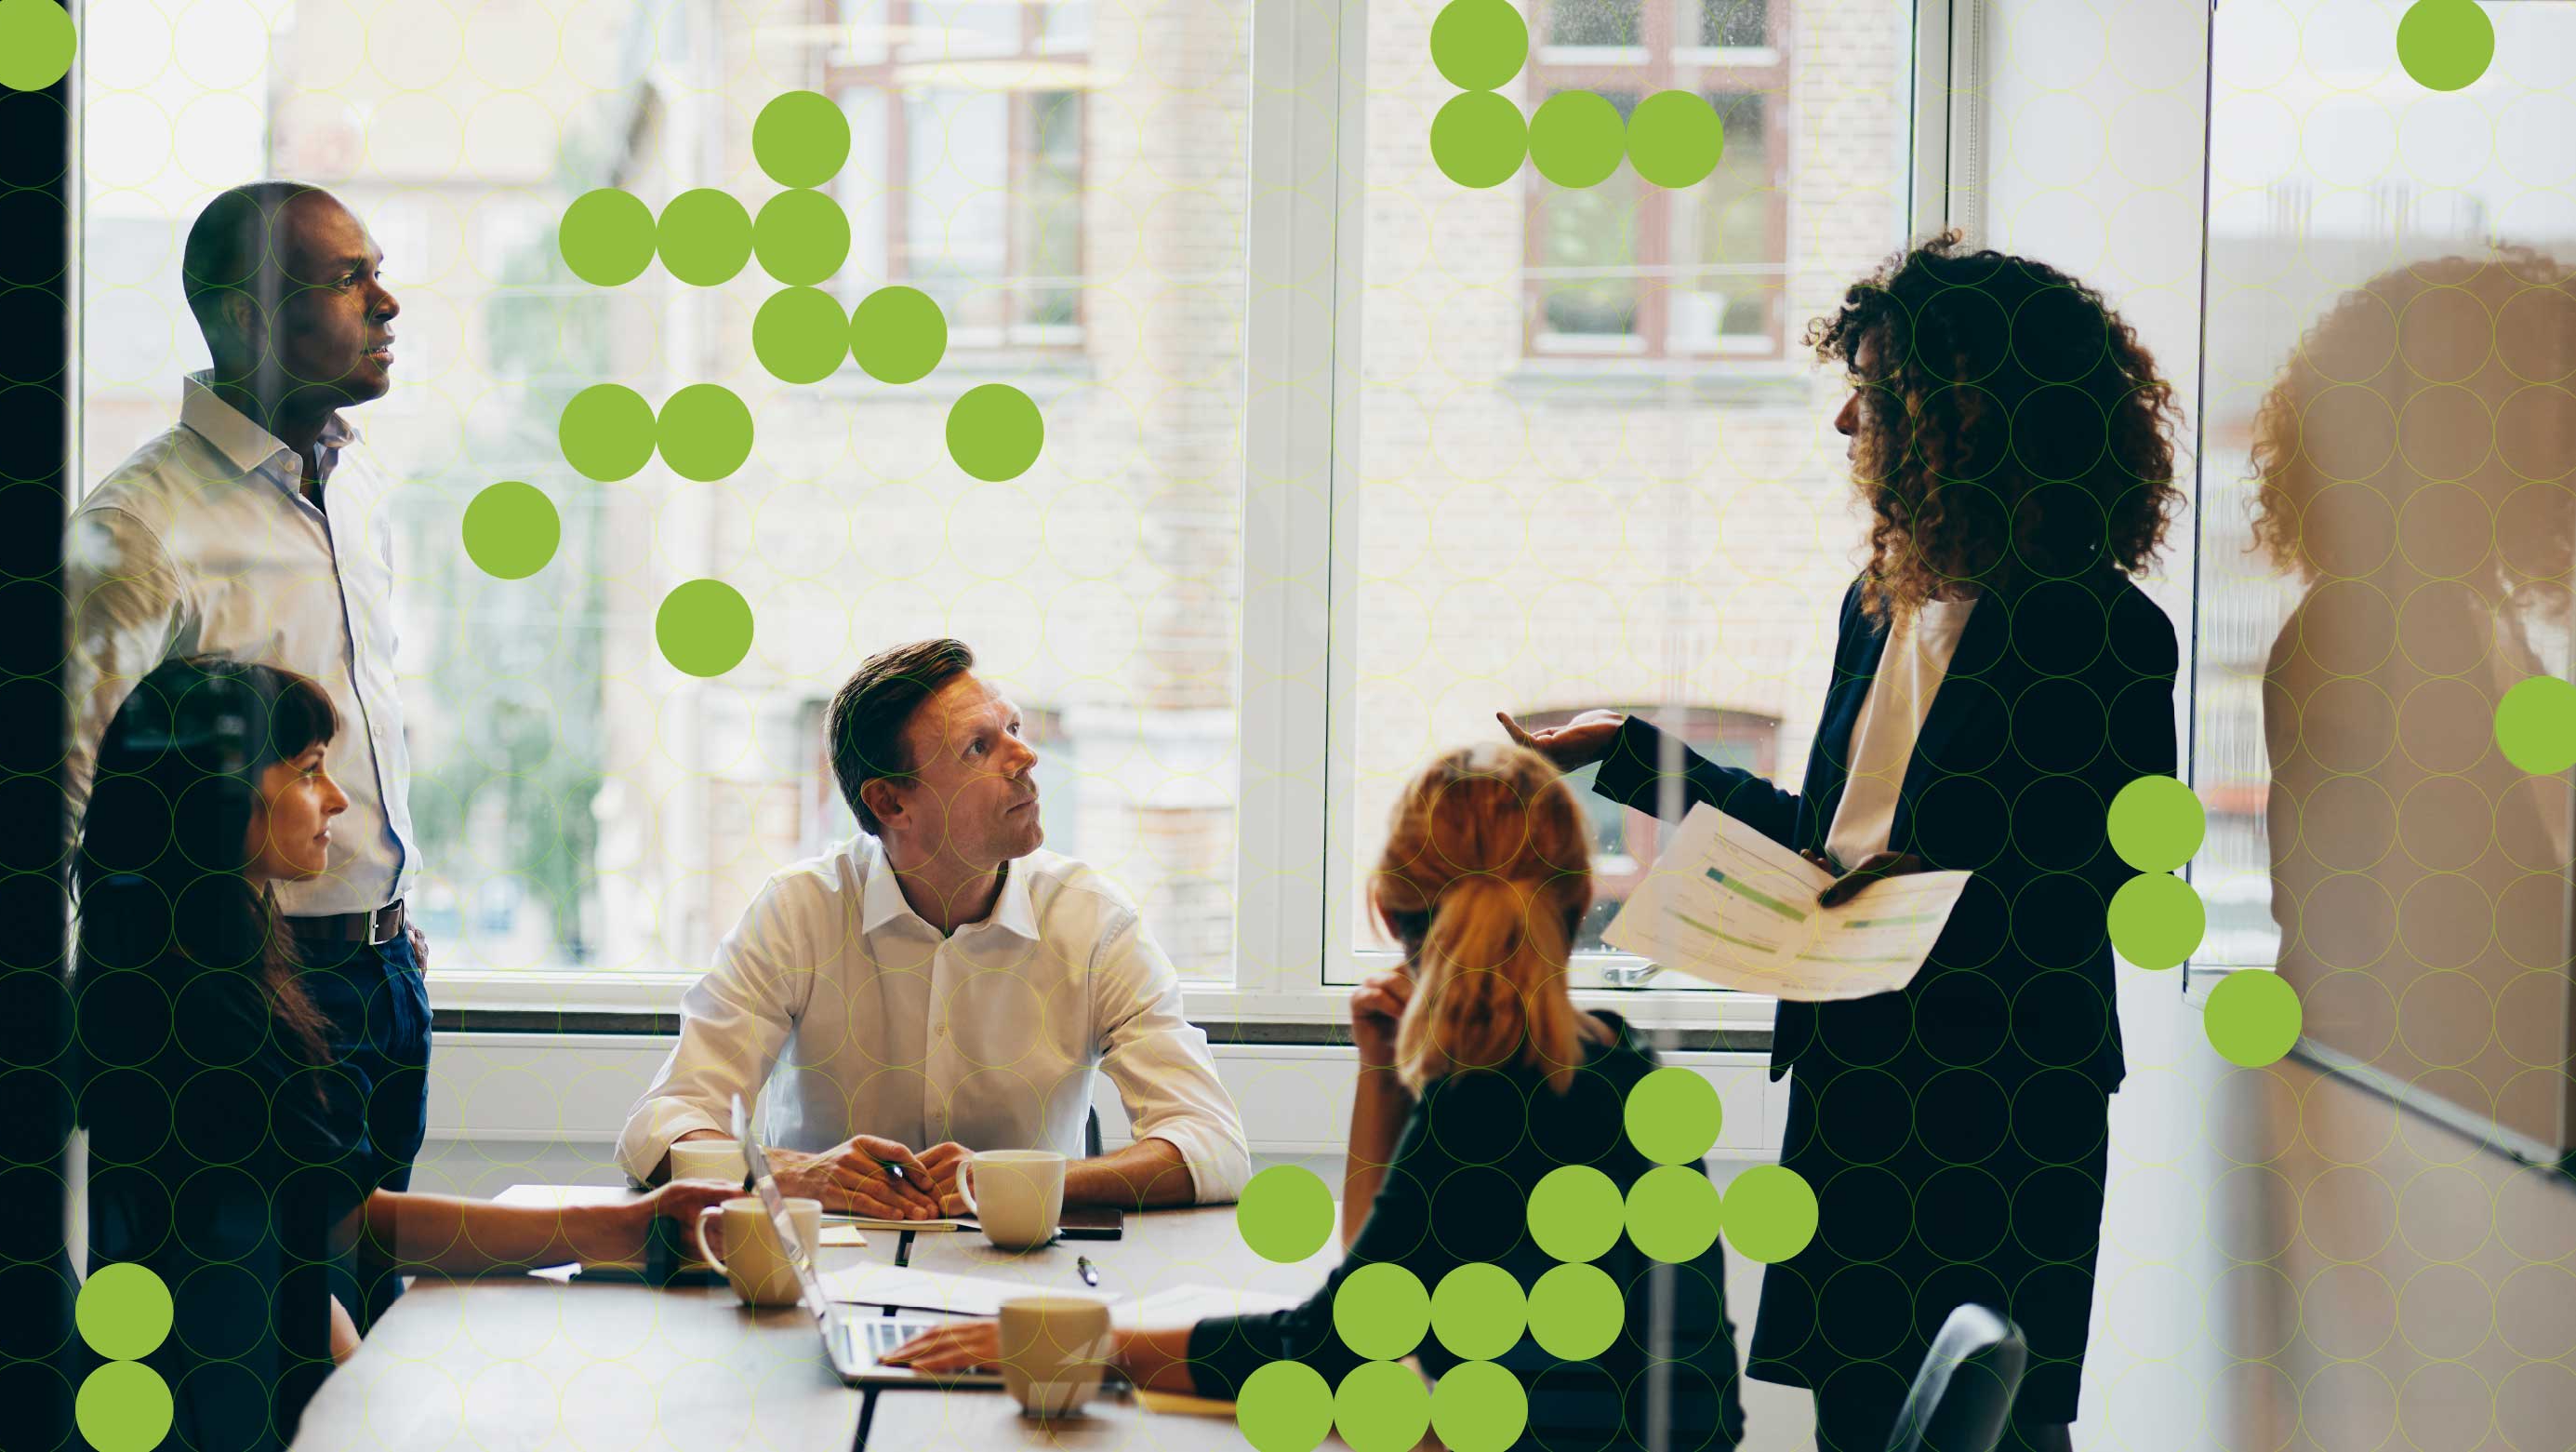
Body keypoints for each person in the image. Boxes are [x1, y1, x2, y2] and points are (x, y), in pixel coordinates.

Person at [1505, 234, 2183, 1452]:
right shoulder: (1878, 606)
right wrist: (1629, 751)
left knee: (1996, 1426)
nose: (1844, 423)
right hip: (1854, 1088)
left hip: (2003, 1104)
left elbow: (2110, 889)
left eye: (1873, 392)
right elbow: (1826, 846)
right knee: (1859, 1426)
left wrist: (1930, 896)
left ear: (1963, 411)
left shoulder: (2105, 631)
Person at [885, 743, 1748, 1449]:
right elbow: (1375, 1277)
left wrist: (1083, 1343)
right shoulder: (1619, 1068)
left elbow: (1325, 1346)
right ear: (1581, 900)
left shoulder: (1487, 1100)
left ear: (1383, 907)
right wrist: (1382, 1072)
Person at [74, 659, 735, 1446]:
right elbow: (350, 1225)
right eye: (310, 770)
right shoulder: (200, 1006)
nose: (339, 797)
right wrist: (617, 1227)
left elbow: (299, 1232)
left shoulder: (164, 962)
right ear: (225, 797)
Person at [0, 180, 434, 1334]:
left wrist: (396, 924)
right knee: (256, 1358)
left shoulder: (361, 483)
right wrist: (92, 1042)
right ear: (242, 318)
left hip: (384, 980)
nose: (387, 303)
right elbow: (45, 814)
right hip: (236, 1011)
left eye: (377, 269)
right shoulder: (138, 529)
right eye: (348, 280)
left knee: (371, 1342)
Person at [617, 638, 1250, 1216]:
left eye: (1013, 728)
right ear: (892, 803)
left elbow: (1211, 1143)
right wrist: (800, 1174)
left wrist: (1019, 1180)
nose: (1027, 755)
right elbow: (662, 1127)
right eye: (980, 746)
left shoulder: (1092, 920)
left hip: (1023, 1280)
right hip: (826, 1267)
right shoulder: (799, 911)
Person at [2250, 249, 2576, 1133]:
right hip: (2429, 1134)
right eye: (2548, 381)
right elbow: (2382, 939)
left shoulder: (2471, 611)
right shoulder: (2376, 624)